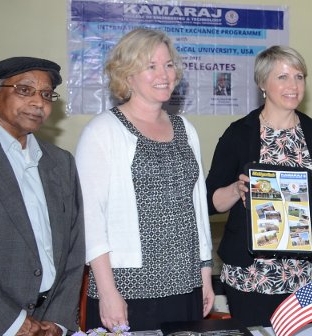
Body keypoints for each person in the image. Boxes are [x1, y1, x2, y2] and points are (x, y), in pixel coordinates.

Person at [75, 28, 214, 332]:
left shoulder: (185, 129)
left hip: (186, 284)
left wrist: (205, 275)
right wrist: (108, 292)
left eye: (168, 65)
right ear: (127, 74)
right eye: (150, 66)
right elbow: (91, 219)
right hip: (128, 288)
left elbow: (197, 208)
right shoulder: (103, 131)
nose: (164, 74)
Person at [206, 45, 312, 327]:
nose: (293, 85)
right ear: (262, 83)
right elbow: (208, 202)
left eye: (299, 77)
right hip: (253, 276)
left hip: (305, 274)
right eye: (282, 77)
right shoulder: (238, 134)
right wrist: (235, 190)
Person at [0, 57, 85, 335]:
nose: (39, 103)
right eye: (25, 90)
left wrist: (59, 321)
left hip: (49, 321)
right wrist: (11, 323)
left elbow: (74, 250)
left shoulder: (61, 162)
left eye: (46, 94)